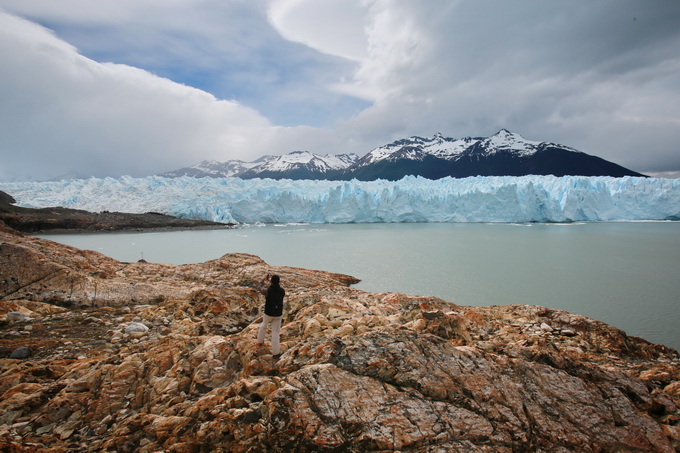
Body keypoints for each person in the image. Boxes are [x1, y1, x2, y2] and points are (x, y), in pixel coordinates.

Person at [257, 273, 285, 358]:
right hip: (278, 314)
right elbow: (276, 287)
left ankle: (260, 341)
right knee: (275, 333)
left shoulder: (268, 290)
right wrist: (271, 282)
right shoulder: (282, 291)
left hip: (268, 313)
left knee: (264, 325)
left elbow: (260, 289)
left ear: (271, 282)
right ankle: (276, 353)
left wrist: (262, 279)